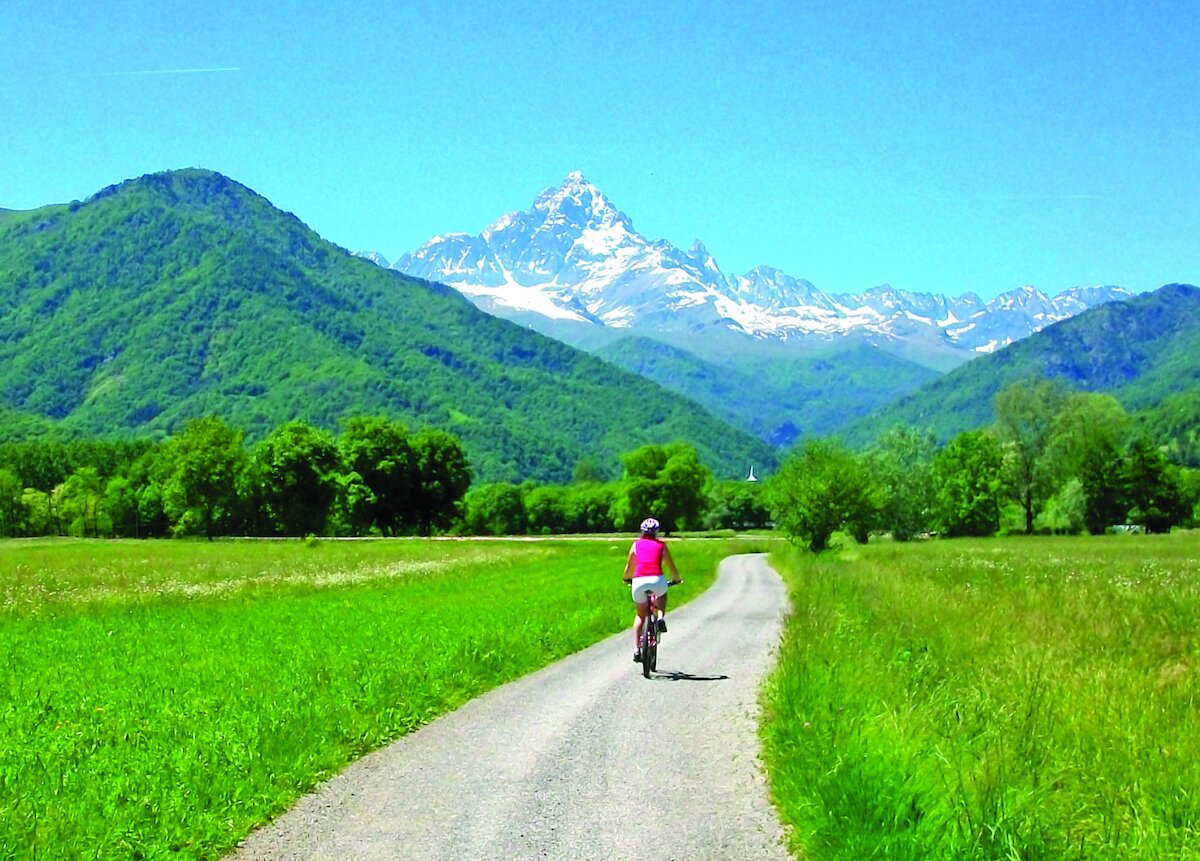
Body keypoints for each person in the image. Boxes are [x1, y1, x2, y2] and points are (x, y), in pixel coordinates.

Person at [622, 516, 681, 663]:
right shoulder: (661, 545)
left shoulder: (636, 545)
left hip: (639, 581)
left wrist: (625, 578)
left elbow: (629, 567)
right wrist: (676, 579)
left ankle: (636, 650)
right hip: (657, 580)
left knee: (640, 616)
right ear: (657, 531)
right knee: (662, 595)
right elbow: (671, 565)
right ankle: (660, 617)